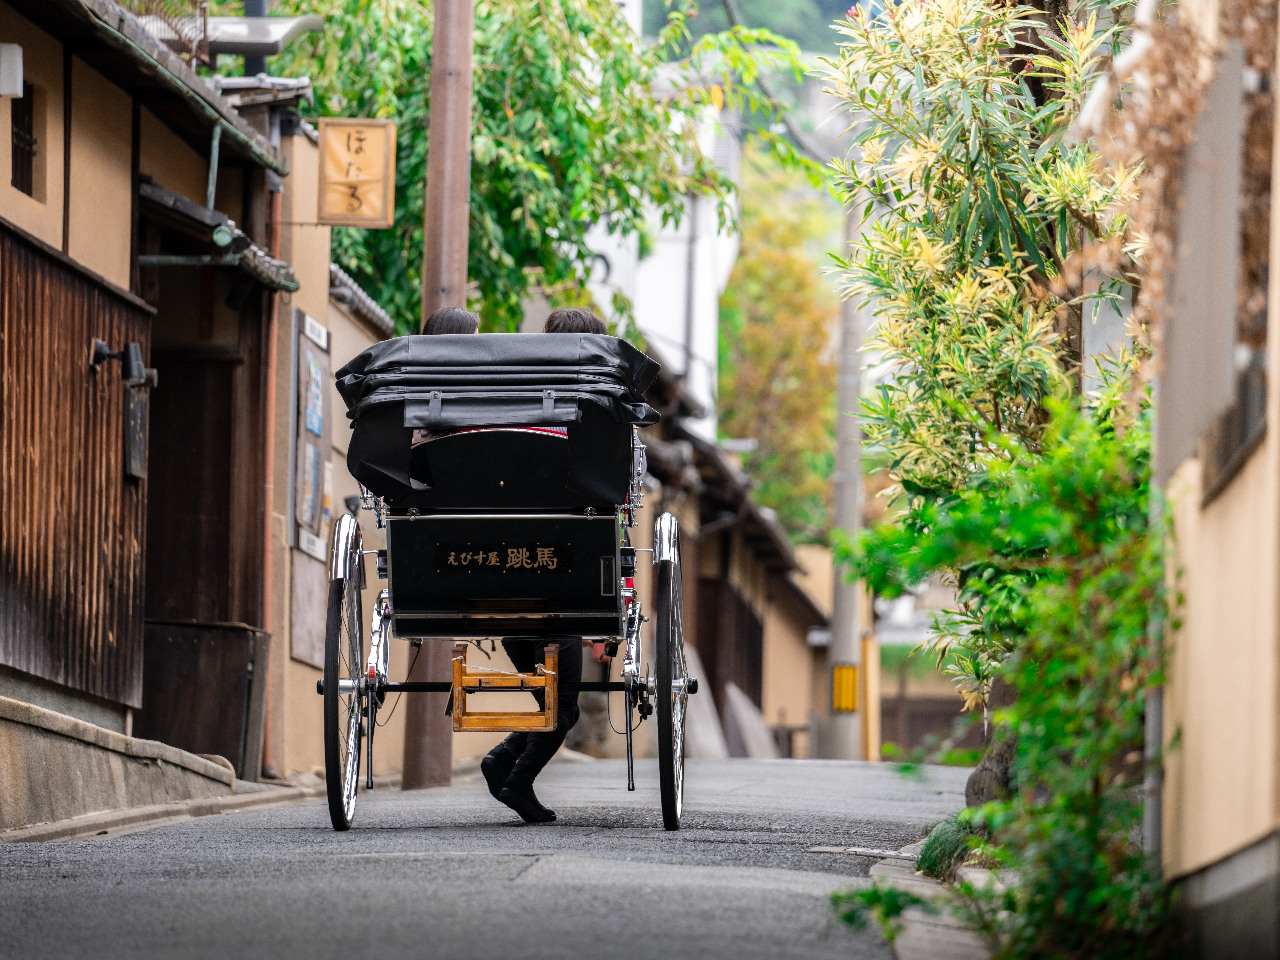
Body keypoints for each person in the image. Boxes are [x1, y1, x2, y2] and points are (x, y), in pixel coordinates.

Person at [480, 307, 610, 823]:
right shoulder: (593, 419)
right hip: (557, 581)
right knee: (563, 708)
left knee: (552, 698)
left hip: (483, 575)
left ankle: (503, 761)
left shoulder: (496, 402)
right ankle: (515, 781)